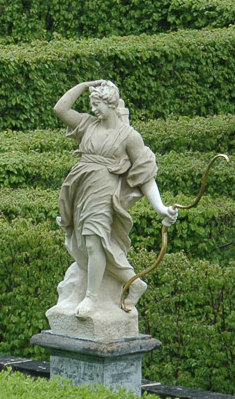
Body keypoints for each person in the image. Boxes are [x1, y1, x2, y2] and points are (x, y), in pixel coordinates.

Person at [51, 80, 177, 319]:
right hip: (79, 190)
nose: (94, 109)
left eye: (97, 104)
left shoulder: (129, 137)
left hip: (104, 193)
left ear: (110, 103)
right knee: (84, 246)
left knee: (94, 242)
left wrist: (160, 208)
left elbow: (145, 174)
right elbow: (60, 109)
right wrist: (84, 85)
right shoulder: (88, 125)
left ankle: (91, 298)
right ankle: (133, 282)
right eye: (91, 104)